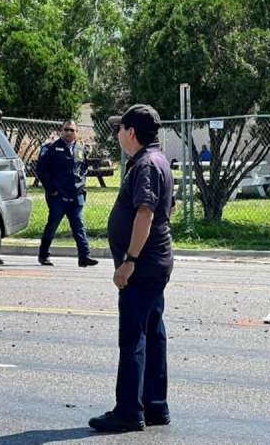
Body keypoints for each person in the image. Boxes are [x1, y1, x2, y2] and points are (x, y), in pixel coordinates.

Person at [89, 104, 174, 433]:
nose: (118, 134)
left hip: (144, 264)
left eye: (120, 129)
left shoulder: (145, 165)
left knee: (133, 338)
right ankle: (155, 406)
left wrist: (130, 261)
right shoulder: (157, 160)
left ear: (132, 133)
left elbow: (145, 213)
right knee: (153, 332)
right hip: (156, 261)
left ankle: (128, 411)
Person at [35, 120, 98, 267]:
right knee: (52, 225)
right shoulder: (51, 148)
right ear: (61, 131)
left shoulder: (80, 148)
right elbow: (42, 171)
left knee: (79, 225)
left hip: (76, 195)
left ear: (77, 132)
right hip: (58, 196)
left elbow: (83, 169)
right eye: (66, 129)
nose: (69, 132)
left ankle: (84, 256)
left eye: (72, 130)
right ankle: (43, 255)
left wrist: (82, 187)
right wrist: (52, 190)